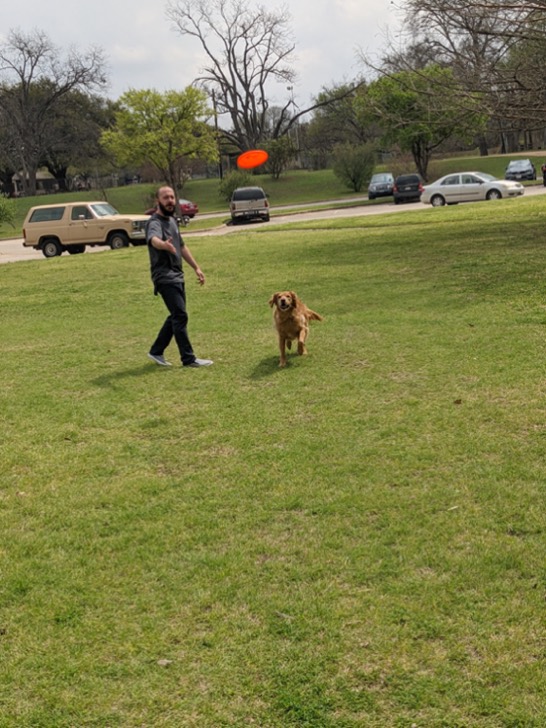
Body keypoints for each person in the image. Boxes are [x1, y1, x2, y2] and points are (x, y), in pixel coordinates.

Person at [146, 185, 213, 368]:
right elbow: (153, 240)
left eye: (172, 197)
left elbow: (182, 246)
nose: (170, 201)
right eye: (166, 198)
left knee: (177, 315)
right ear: (158, 201)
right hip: (164, 276)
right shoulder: (155, 222)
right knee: (180, 314)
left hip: (177, 275)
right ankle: (188, 359)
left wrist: (196, 268)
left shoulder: (172, 221)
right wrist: (164, 245)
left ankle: (156, 351)